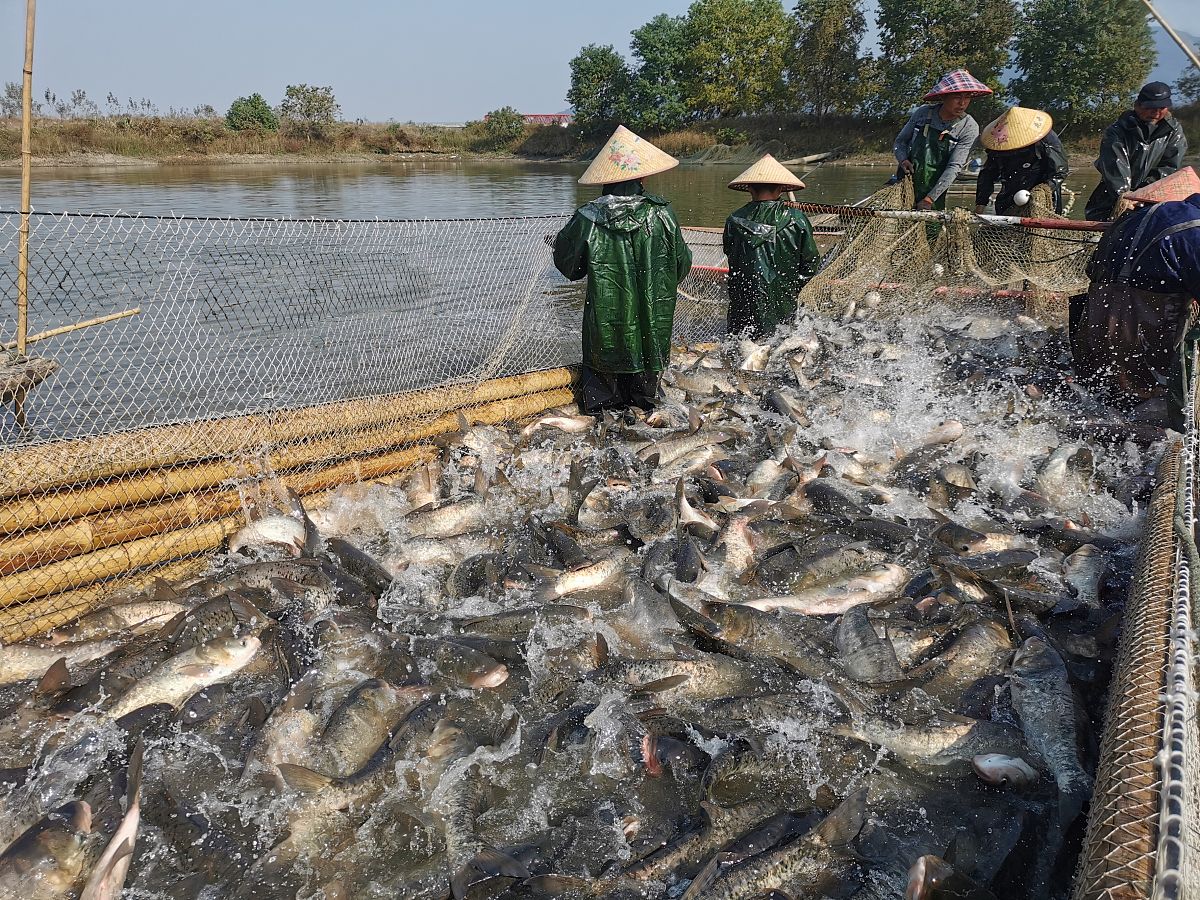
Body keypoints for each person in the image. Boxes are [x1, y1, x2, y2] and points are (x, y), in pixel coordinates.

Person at [553, 125, 692, 415]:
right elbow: (681, 265)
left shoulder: (587, 217)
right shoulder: (662, 214)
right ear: (642, 175)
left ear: (606, 177)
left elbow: (569, 267)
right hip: (651, 328)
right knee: (647, 410)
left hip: (605, 329)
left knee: (603, 413)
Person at [1071, 166, 1200, 418]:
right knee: (1154, 398)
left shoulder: (1130, 218)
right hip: (1143, 330)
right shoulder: (1194, 229)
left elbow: (1091, 269)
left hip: (1093, 329)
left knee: (1104, 396)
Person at [722, 154, 820, 339]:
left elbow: (730, 254)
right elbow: (811, 261)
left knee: (740, 343)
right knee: (779, 345)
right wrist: (791, 286)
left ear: (749, 187)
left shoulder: (734, 220)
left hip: (744, 297)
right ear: (782, 189)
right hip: (782, 298)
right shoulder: (796, 219)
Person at [1084, 81, 1189, 221]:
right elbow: (1115, 168)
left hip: (1154, 195)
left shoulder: (1173, 131)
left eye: (1161, 108)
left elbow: (1169, 166)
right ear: (1137, 106)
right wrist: (1126, 198)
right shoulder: (1116, 131)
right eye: (1151, 107)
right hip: (1112, 195)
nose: (1156, 113)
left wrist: (1145, 194)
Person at [893, 69, 993, 211]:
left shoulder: (969, 127)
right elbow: (900, 142)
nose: (962, 103)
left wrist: (930, 198)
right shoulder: (923, 113)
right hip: (906, 182)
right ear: (944, 97)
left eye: (967, 97)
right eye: (957, 97)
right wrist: (903, 160)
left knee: (932, 229)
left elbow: (954, 167)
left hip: (936, 189)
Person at [973, 106, 1069, 214]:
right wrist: (981, 203)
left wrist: (1042, 192)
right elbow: (988, 174)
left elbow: (1059, 171)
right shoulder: (998, 143)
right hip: (1008, 197)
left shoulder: (1045, 138)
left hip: (1044, 200)